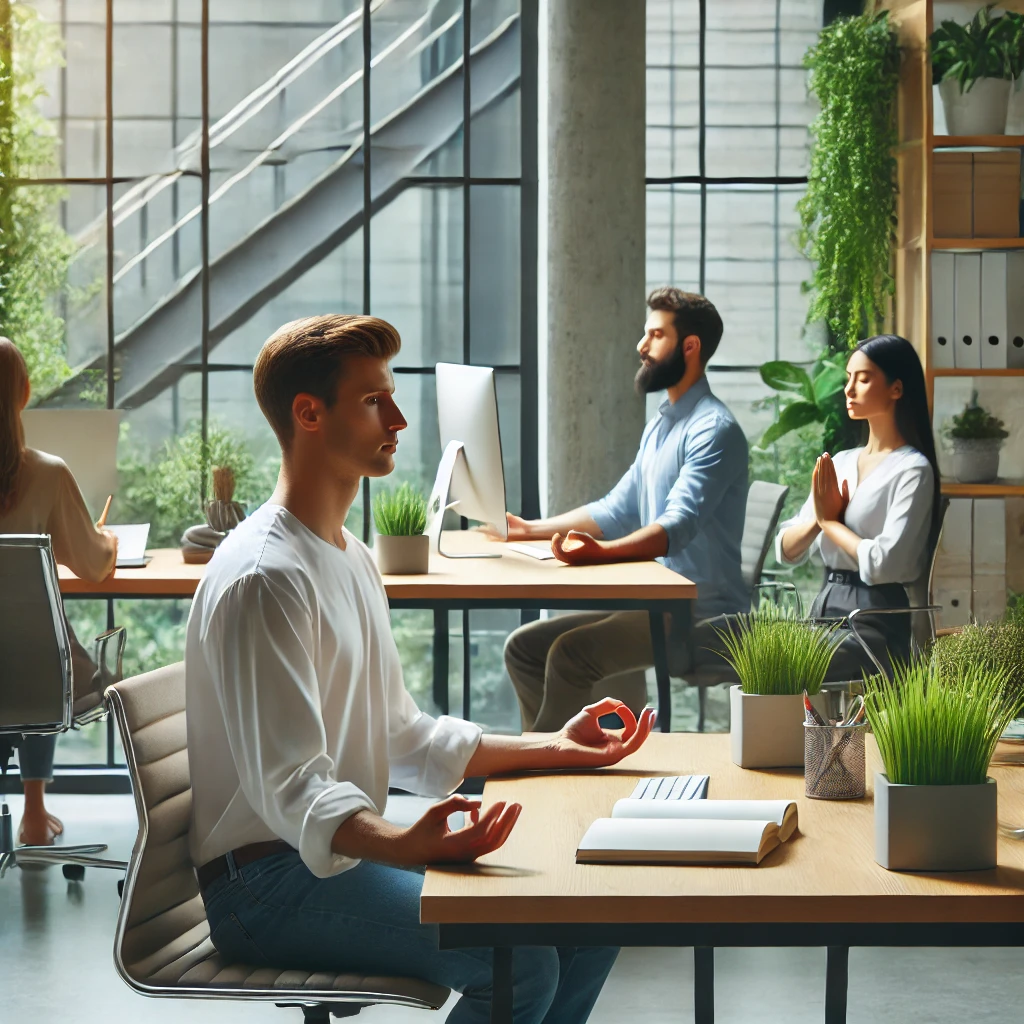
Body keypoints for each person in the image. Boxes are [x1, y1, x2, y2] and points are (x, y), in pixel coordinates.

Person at [186, 314, 656, 1024]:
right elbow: (293, 786)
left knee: (590, 922)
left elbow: (402, 737)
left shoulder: (348, 555)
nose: (400, 418)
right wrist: (406, 841)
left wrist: (556, 744)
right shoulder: (266, 576)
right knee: (519, 963)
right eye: (374, 400)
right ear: (308, 414)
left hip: (325, 856)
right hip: (266, 884)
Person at [500, 288, 750, 732]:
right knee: (524, 648)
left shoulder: (714, 431)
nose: (641, 345)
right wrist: (527, 529)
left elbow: (675, 527)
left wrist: (601, 553)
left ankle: (547, 771)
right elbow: (617, 509)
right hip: (653, 603)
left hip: (697, 615)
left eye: (656, 335)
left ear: (689, 347)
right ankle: (559, 764)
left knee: (571, 656)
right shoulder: (663, 423)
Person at [0, 338, 118, 846]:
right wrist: (108, 538)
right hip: (37, 677)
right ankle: (33, 813)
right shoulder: (45, 473)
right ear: (23, 394)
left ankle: (33, 808)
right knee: (40, 653)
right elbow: (93, 566)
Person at [775, 334, 940, 676]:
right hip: (825, 606)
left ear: (897, 388)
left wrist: (831, 523)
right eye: (848, 378)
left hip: (873, 620)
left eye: (863, 379)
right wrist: (816, 522)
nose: (849, 389)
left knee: (786, 662)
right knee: (763, 649)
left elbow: (884, 564)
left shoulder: (912, 469)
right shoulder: (841, 461)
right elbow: (786, 550)